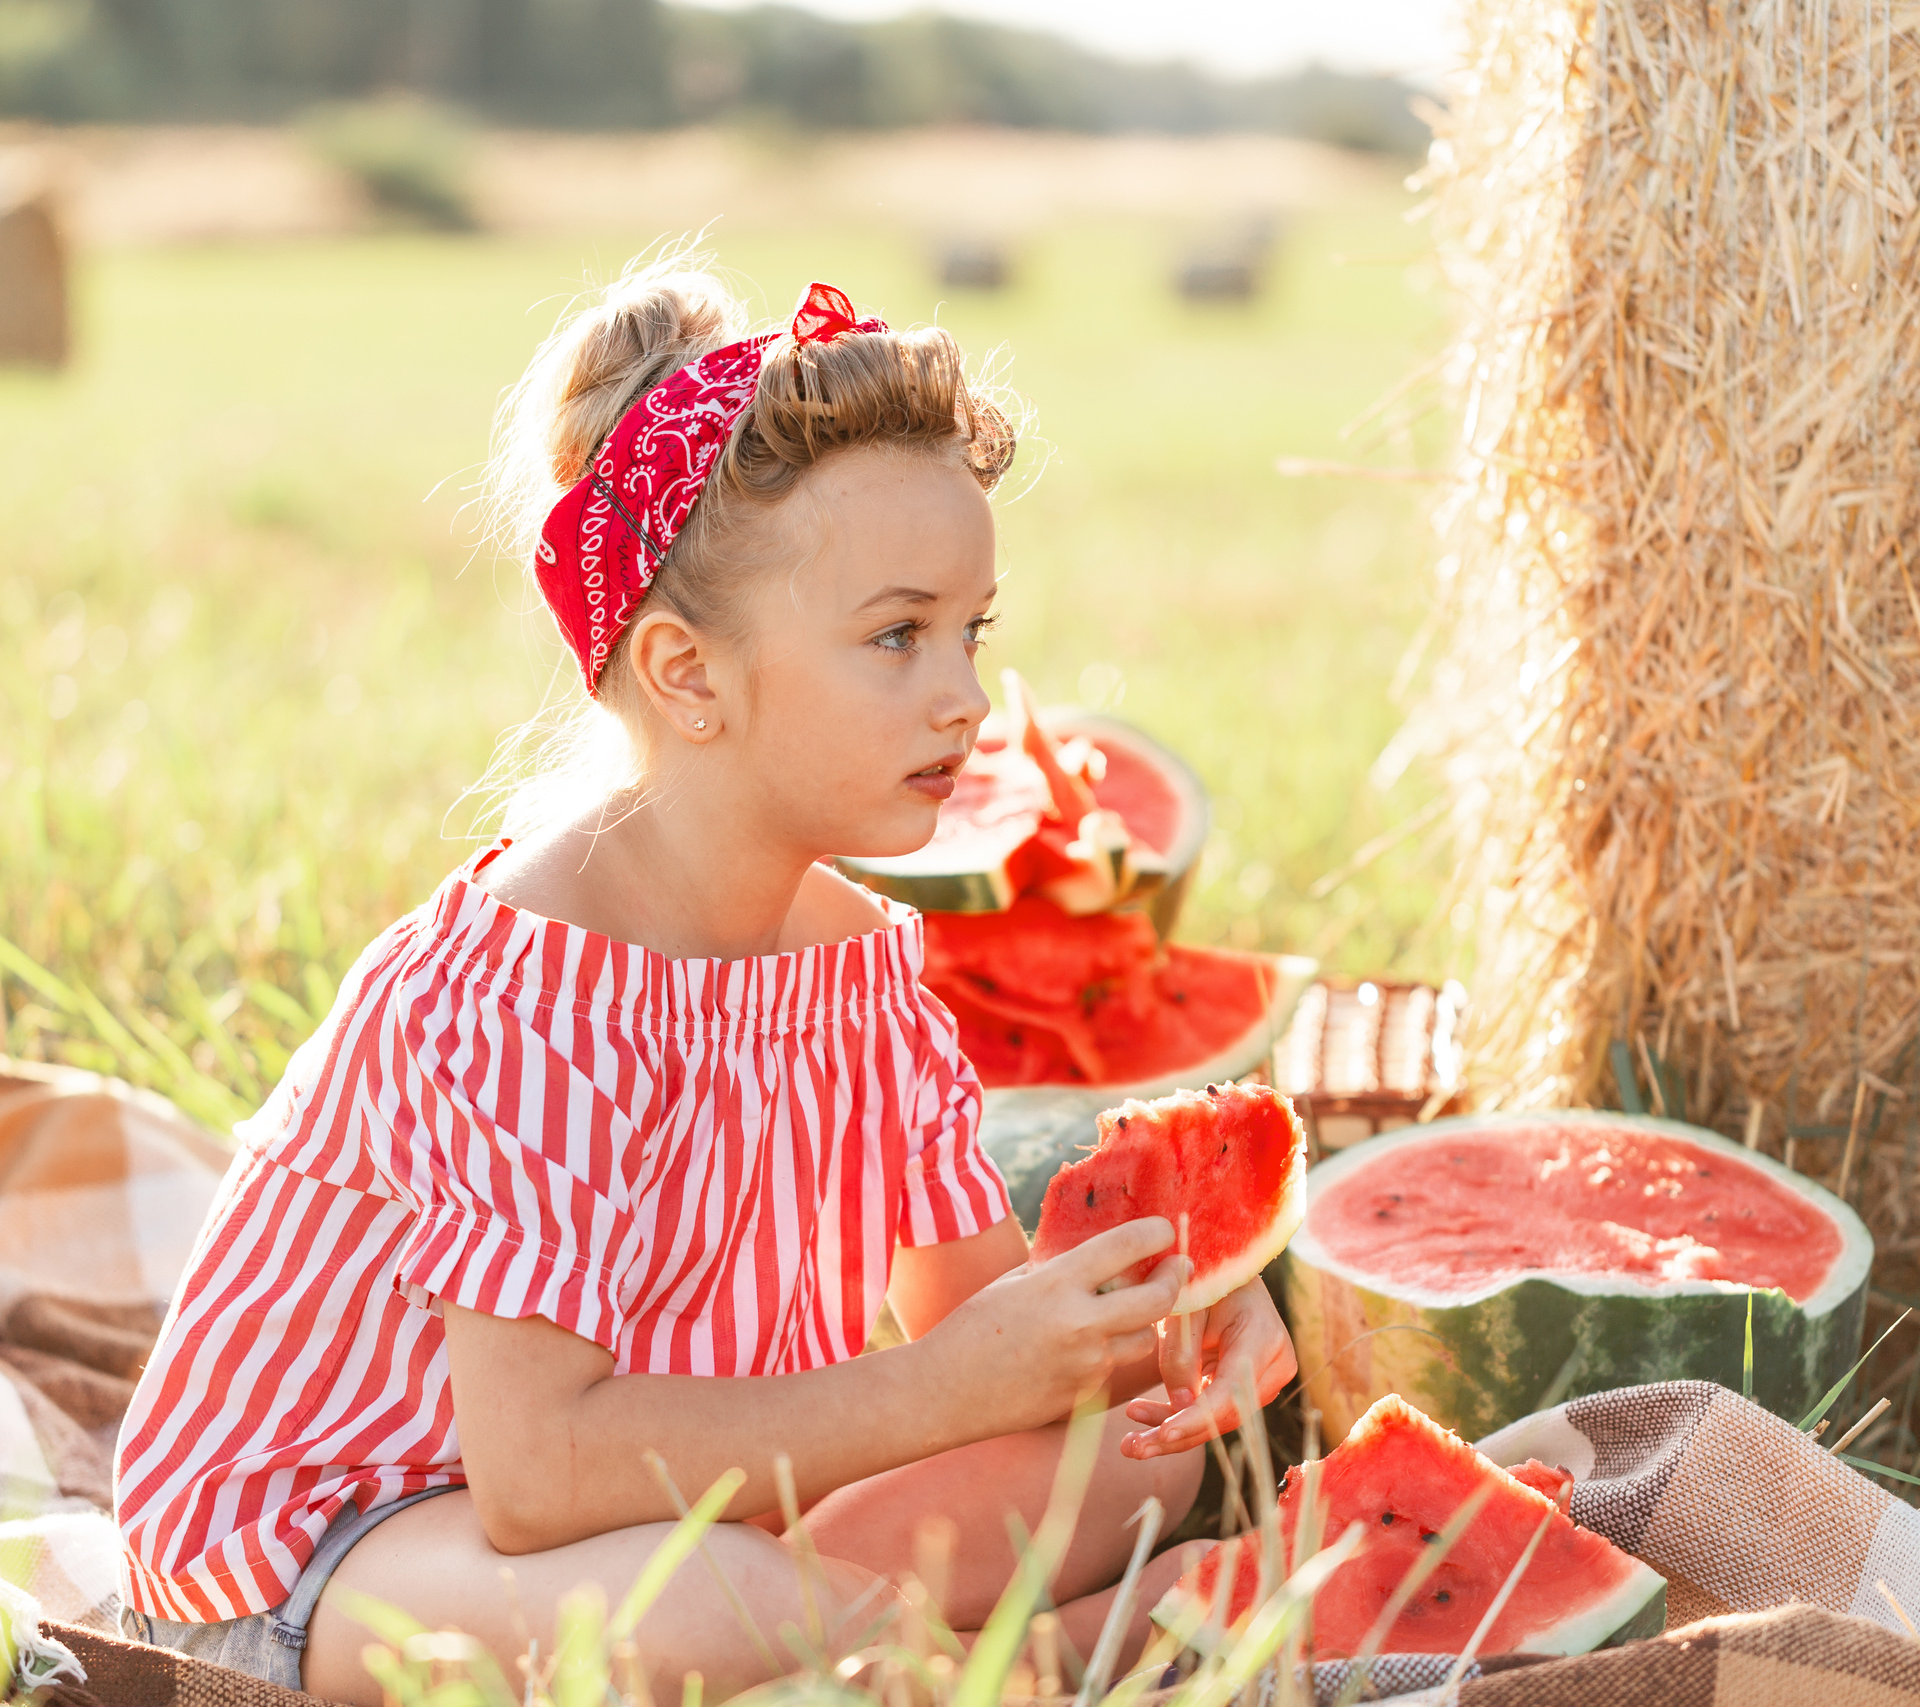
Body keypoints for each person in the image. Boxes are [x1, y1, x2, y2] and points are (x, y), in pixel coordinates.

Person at [114, 259, 1295, 1702]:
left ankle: (898, 1652)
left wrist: (1166, 1330)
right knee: (729, 1605)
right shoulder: (527, 989)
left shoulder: (856, 964)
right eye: (895, 636)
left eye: (971, 632)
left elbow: (980, 1329)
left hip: (682, 1505)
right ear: (687, 675)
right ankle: (1053, 1662)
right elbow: (535, 1479)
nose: (967, 696)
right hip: (325, 1554)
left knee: (1128, 1471)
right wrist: (948, 1388)